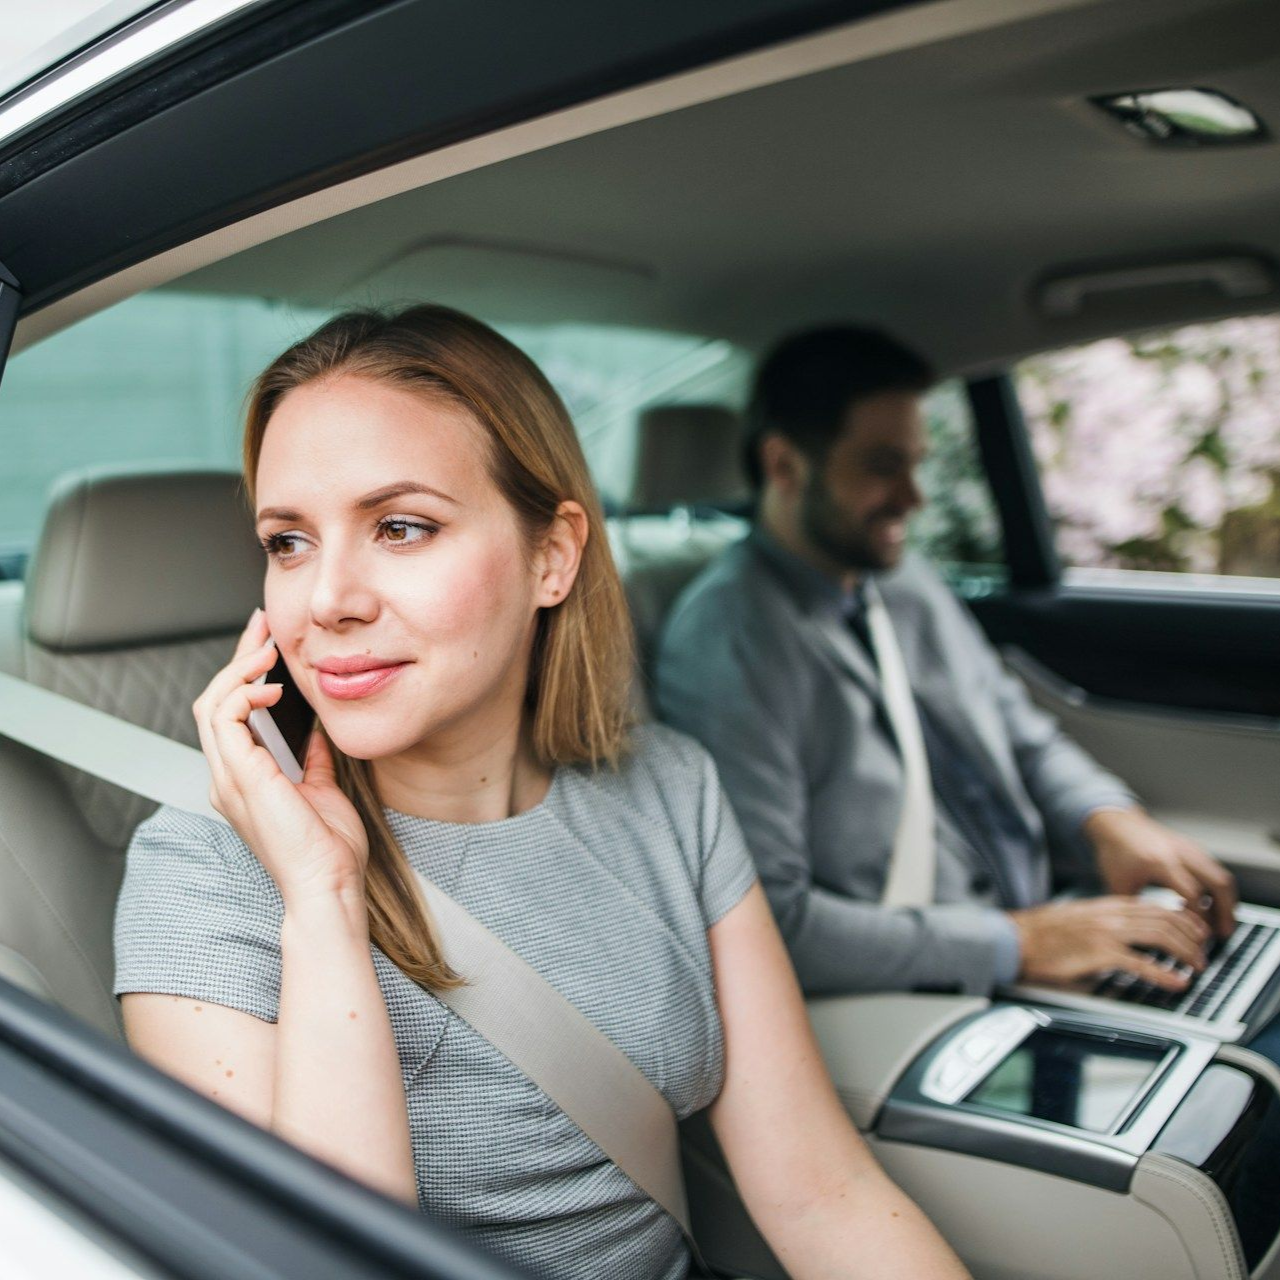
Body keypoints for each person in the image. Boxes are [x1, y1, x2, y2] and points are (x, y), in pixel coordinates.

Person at [112, 306, 969, 1280]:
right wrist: (321, 899)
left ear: (551, 555)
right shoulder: (204, 867)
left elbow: (823, 1194)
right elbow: (323, 1258)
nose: (326, 599)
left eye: (399, 526)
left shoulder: (667, 787)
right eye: (288, 541)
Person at [655, 325, 1238, 999]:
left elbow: (1019, 734)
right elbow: (769, 923)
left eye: (914, 463)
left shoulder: (902, 583)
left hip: (1036, 938)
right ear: (784, 465)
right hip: (928, 989)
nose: (913, 497)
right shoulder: (731, 637)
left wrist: (1109, 820)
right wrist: (1018, 943)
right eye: (881, 466)